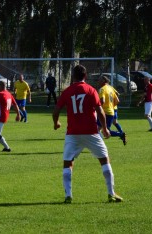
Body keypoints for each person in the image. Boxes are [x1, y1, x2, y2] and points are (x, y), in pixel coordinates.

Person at [52, 64, 123, 203]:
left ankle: (68, 195)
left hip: (72, 133)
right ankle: (111, 193)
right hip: (91, 132)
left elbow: (56, 110)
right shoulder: (91, 90)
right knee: (104, 160)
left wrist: (56, 123)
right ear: (85, 76)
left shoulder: (67, 91)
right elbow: (100, 111)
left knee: (67, 163)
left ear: (73, 76)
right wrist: (105, 128)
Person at [97, 76, 127, 145]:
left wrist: (98, 108)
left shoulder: (102, 89)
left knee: (101, 130)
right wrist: (110, 106)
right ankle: (121, 134)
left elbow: (102, 101)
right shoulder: (111, 88)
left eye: (100, 80)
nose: (98, 81)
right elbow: (117, 101)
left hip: (104, 112)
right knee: (103, 130)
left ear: (104, 81)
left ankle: (100, 145)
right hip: (111, 112)